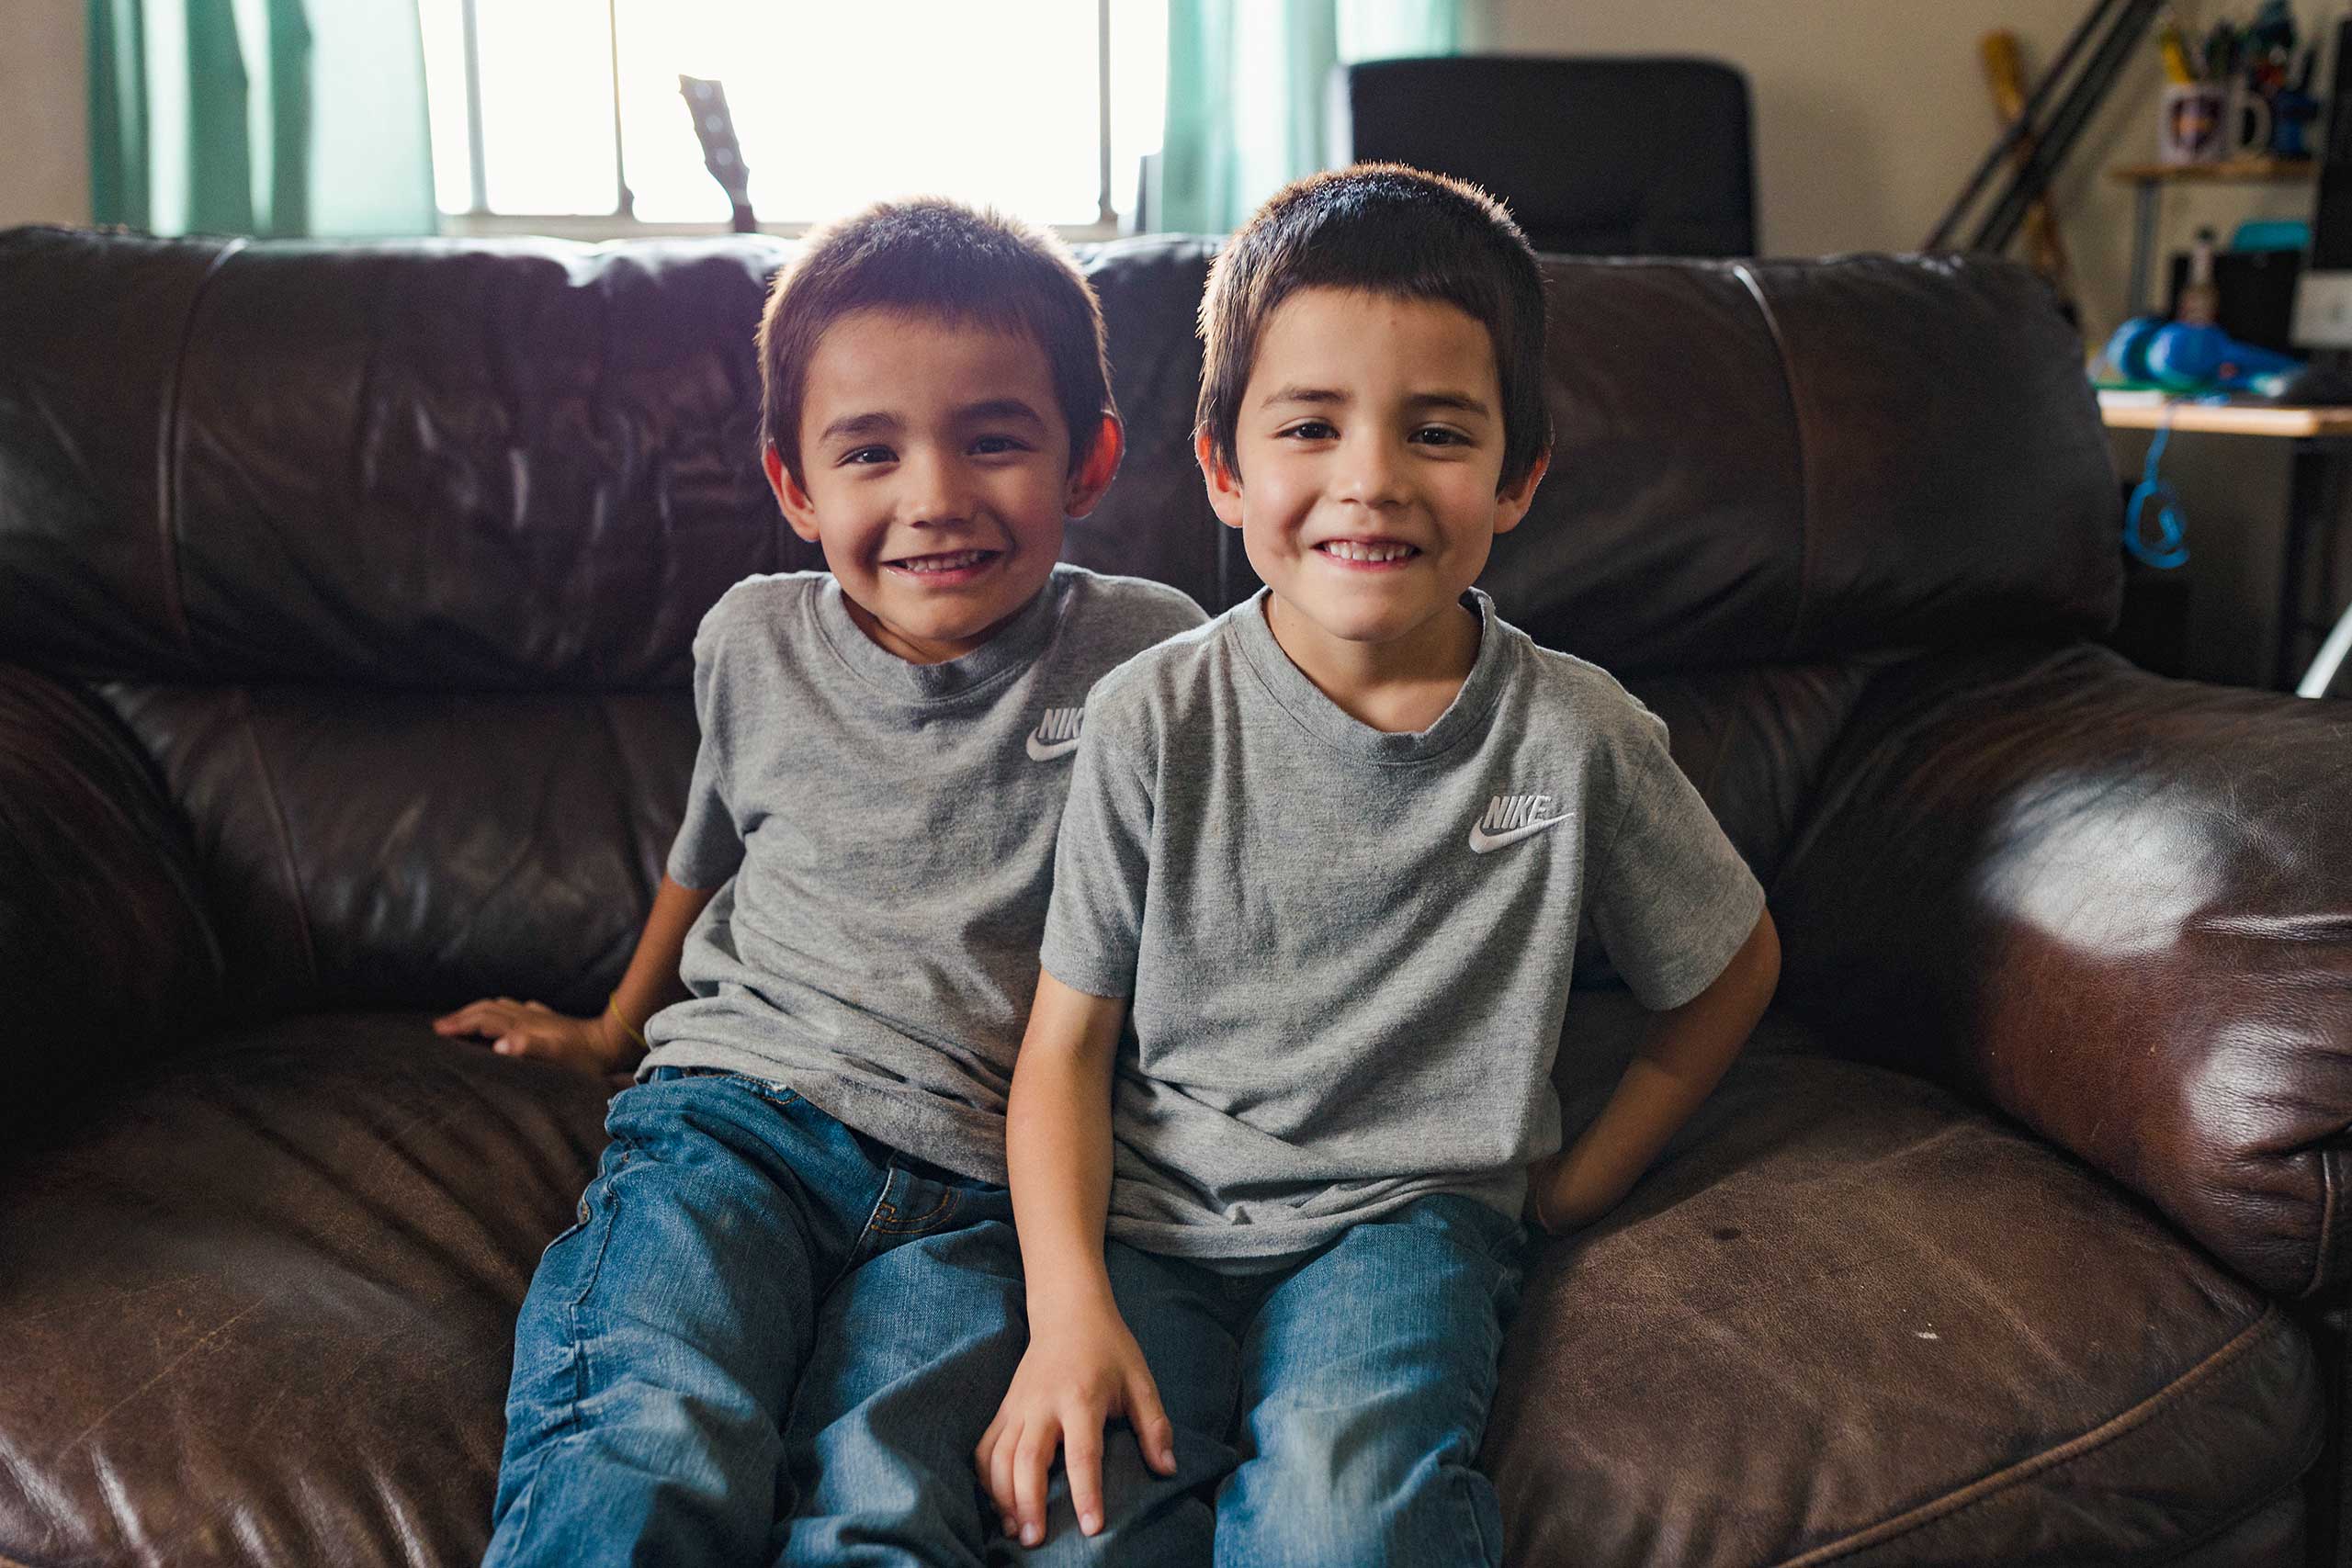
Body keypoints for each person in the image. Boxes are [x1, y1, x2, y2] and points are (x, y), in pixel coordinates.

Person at [977, 164, 1781, 1565]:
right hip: (1157, 1221)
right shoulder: (1148, 718)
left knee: (1348, 1525)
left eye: (1439, 432)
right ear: (1224, 469)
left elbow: (1729, 967)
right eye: (1311, 426)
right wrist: (1066, 1309)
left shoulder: (1576, 733)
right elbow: (1063, 1052)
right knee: (1085, 1527)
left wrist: (1582, 1181)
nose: (1373, 481)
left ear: (1518, 476)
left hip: (1408, 1225)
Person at [445, 197, 1206, 1566]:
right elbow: (705, 847)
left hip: (982, 1187)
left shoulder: (1153, 658)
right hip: (735, 1124)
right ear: (794, 486)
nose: (935, 499)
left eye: (994, 439)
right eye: (870, 451)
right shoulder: (752, 639)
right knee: (646, 1430)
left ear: (1089, 460)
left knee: (888, 1499)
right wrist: (612, 1030)